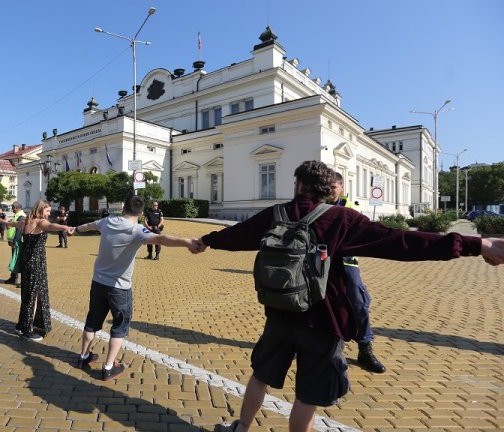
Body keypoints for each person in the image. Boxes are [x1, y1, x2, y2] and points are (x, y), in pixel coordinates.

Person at [190, 161, 504, 432]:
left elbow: (237, 235)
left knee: (261, 375)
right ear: (331, 190)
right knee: (308, 395)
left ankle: (241, 427)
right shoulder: (342, 219)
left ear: (299, 184)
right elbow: (402, 242)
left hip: (279, 312)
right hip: (324, 320)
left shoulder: (276, 213)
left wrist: (206, 241)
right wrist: (475, 245)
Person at [74, 195, 199, 380]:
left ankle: (84, 357)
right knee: (119, 327)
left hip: (98, 282)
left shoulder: (107, 221)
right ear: (141, 212)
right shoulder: (137, 230)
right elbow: (163, 239)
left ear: (124, 206)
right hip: (120, 288)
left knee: (92, 321)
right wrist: (187, 242)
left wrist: (74, 229)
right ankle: (108, 367)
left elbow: (88, 226)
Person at [329, 172, 385, 373]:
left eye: (333, 187)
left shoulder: (351, 208)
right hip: (321, 264)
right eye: (326, 186)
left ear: (342, 187)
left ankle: (365, 348)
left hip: (347, 263)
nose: (329, 191)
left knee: (358, 302)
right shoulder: (317, 207)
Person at [12, 200, 74, 341]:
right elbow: (51, 226)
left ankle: (21, 324)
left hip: (27, 261)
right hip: (36, 262)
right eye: (47, 211)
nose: (49, 213)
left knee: (28, 293)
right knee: (33, 295)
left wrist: (1, 221)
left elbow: (13, 224)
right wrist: (65, 228)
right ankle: (27, 329)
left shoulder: (26, 221)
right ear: (40, 210)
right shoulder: (39, 222)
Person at [4, 202, 26, 285]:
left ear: (16, 208)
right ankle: (13, 277)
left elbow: (19, 231)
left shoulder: (21, 216)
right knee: (14, 259)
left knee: (17, 259)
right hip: (14, 240)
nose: (12, 209)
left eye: (12, 208)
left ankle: (17, 279)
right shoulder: (17, 215)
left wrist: (15, 241)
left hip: (17, 241)